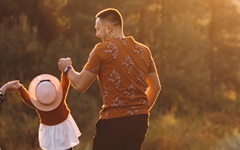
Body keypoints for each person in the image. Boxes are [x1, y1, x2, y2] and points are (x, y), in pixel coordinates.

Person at [58, 8, 161, 150]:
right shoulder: (144, 50)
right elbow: (155, 87)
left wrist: (67, 68)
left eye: (98, 29)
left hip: (114, 121)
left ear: (109, 28)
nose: (97, 34)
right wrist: (137, 110)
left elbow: (80, 84)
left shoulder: (102, 49)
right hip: (140, 121)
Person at [15, 73, 81, 150]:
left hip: (50, 133)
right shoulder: (60, 98)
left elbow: (27, 99)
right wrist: (64, 71)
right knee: (67, 148)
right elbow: (65, 83)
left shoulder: (38, 105)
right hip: (64, 130)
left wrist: (20, 87)